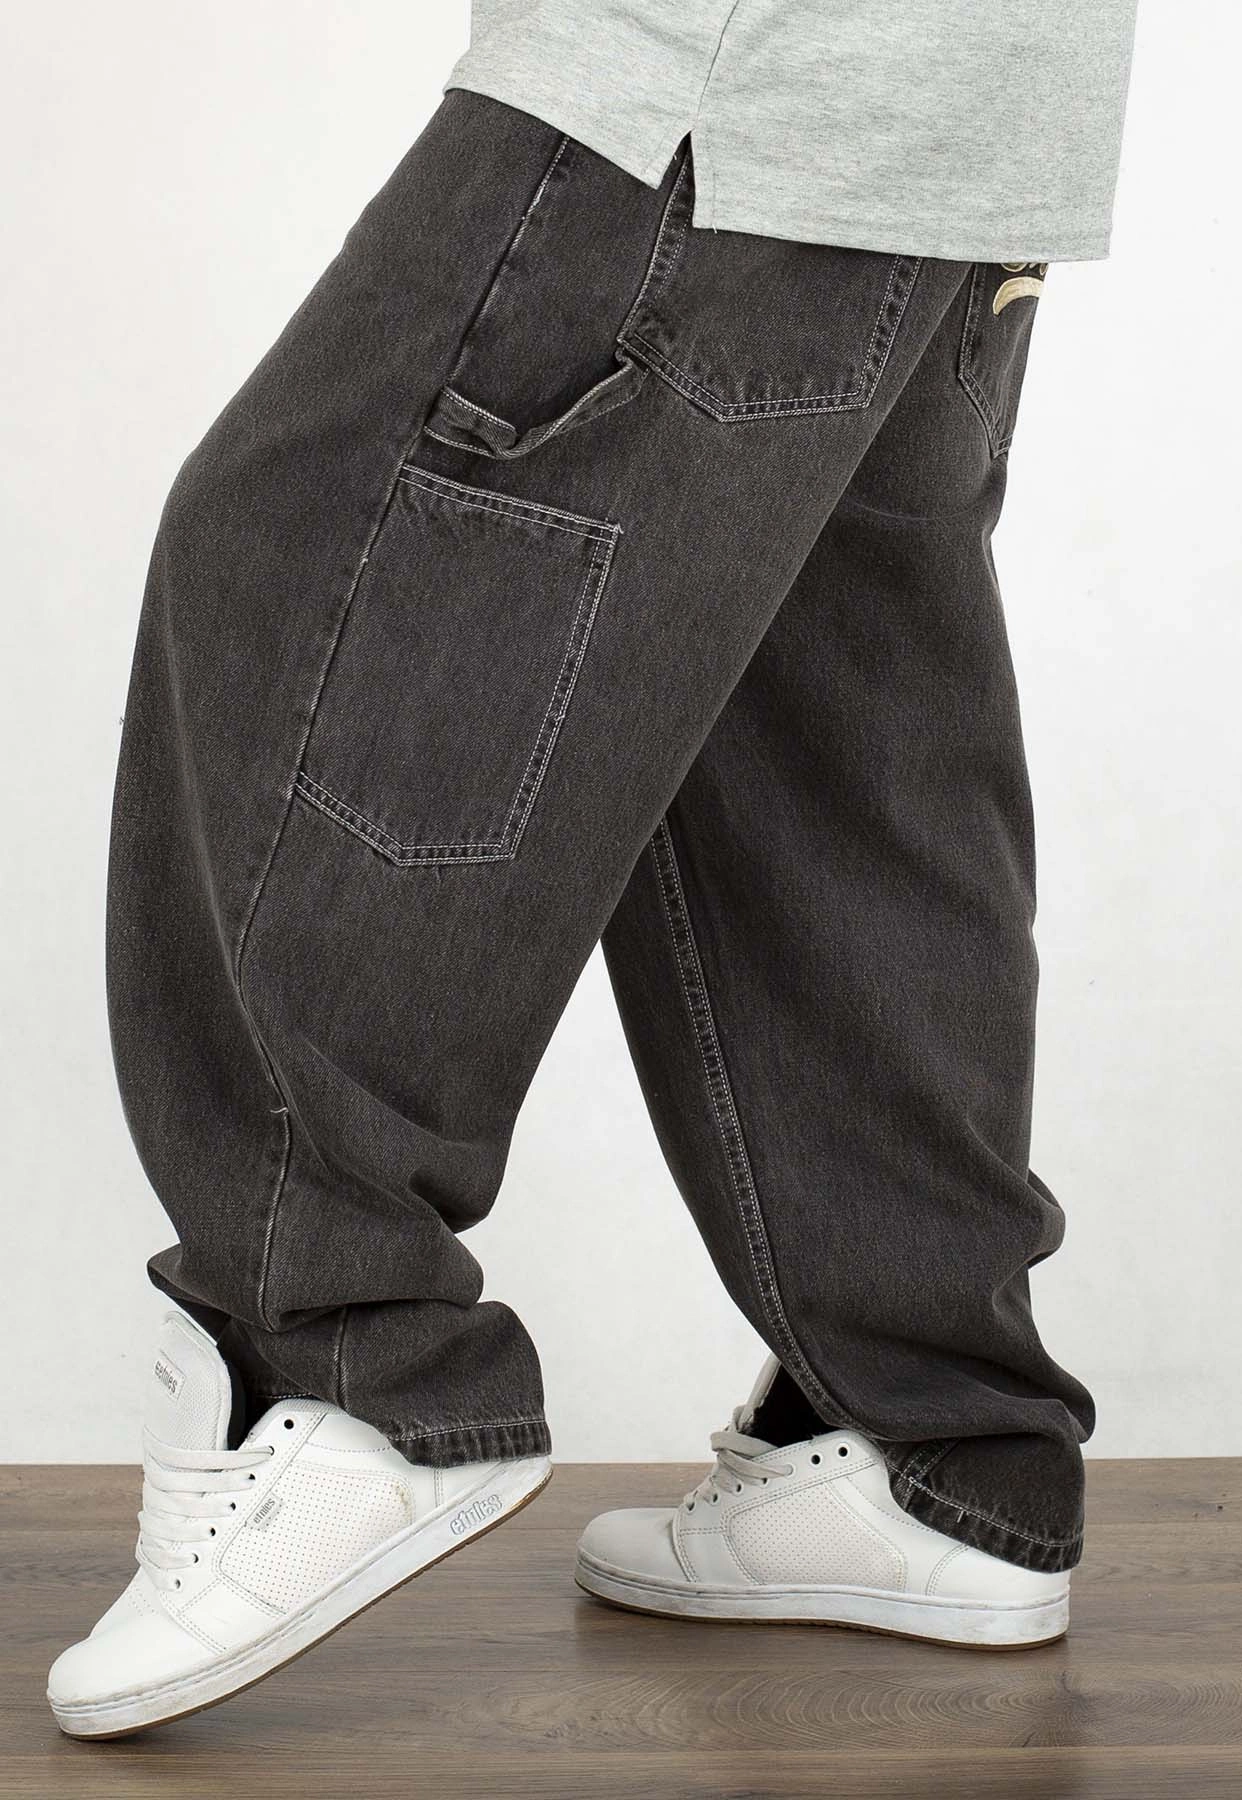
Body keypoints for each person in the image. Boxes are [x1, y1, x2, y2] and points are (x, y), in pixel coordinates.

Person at [47, 0, 1139, 1738]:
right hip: (966, 111)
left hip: (726, 75)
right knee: (818, 724)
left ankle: (331, 1357)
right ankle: (924, 1439)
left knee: (279, 547)